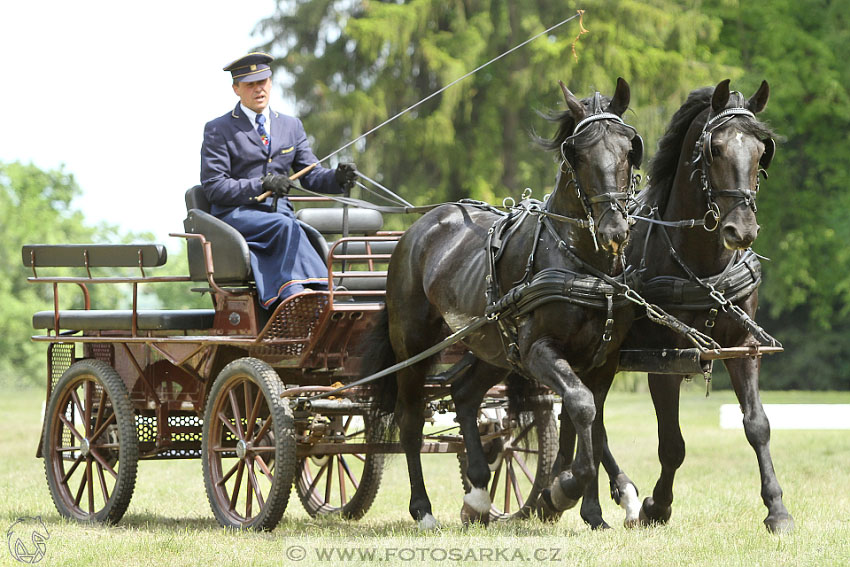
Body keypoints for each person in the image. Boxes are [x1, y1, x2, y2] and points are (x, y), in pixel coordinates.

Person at [200, 52, 357, 310]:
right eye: (250, 84)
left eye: (263, 81)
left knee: (303, 231)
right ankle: (300, 295)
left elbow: (311, 175)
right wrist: (262, 184)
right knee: (286, 227)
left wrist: (336, 178)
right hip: (237, 216)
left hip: (280, 218)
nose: (258, 89)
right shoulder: (219, 129)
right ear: (236, 89)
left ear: (271, 82)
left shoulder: (291, 126)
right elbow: (215, 187)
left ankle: (315, 293)